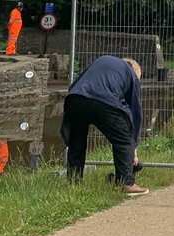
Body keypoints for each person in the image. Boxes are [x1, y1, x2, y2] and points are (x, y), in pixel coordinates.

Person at [61, 55, 148, 196]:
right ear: (134, 70)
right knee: (123, 140)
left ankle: (74, 183)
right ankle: (127, 183)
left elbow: (78, 82)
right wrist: (133, 145)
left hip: (75, 98)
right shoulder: (131, 73)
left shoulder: (102, 61)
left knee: (77, 142)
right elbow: (135, 111)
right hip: (103, 100)